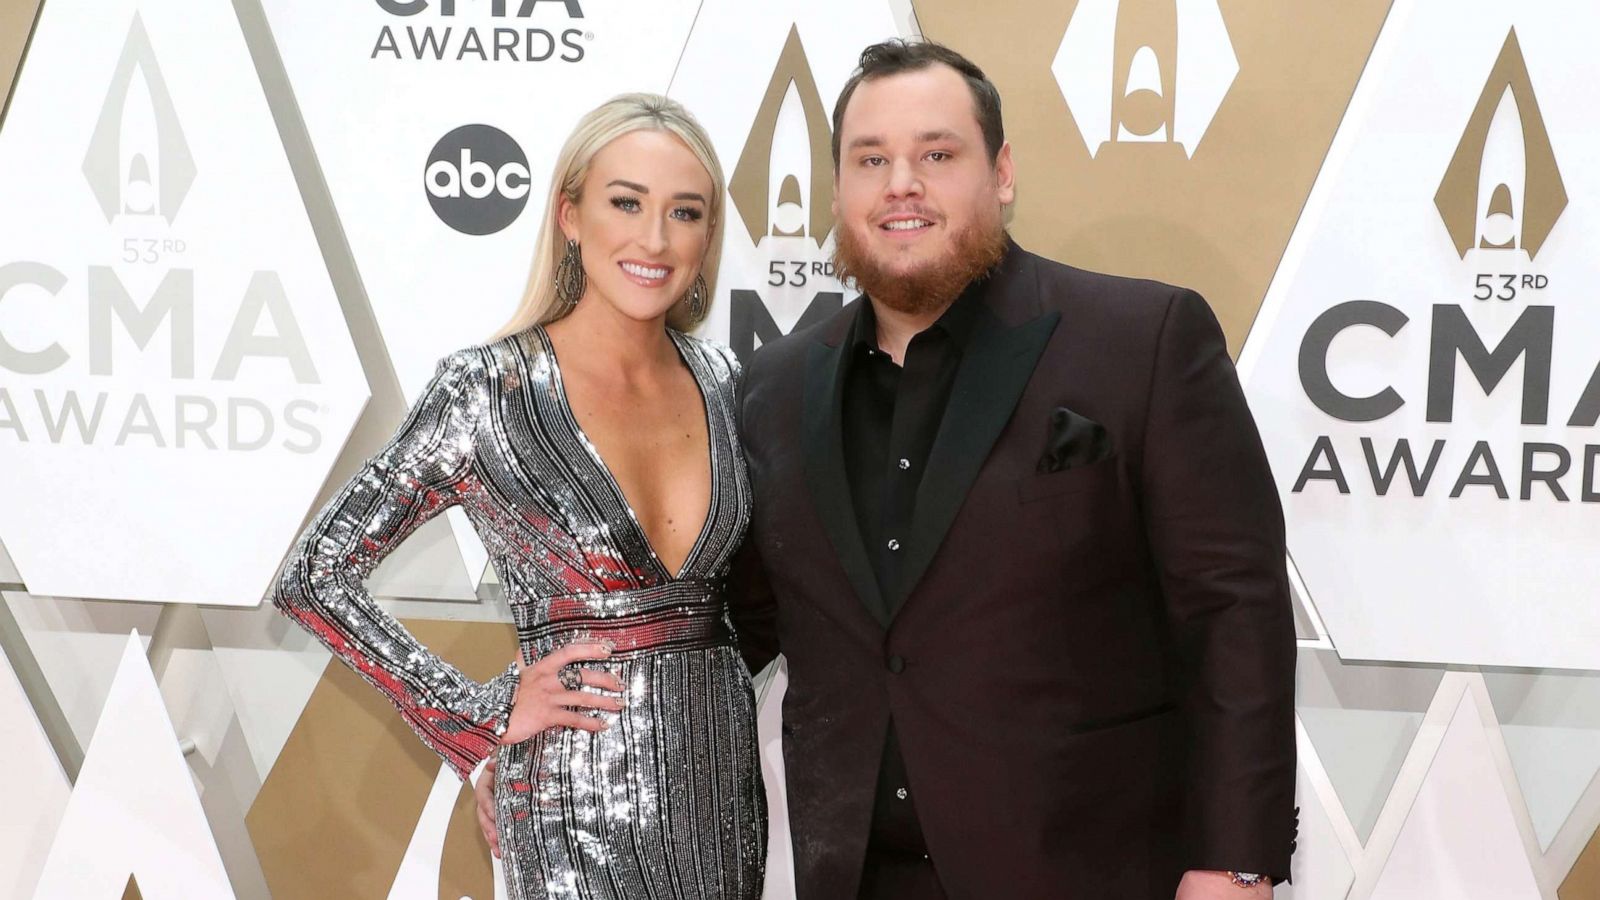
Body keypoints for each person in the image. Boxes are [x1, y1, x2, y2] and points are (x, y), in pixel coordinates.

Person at [726, 41, 1295, 899]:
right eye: (870, 159)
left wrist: (1235, 862)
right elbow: (731, 623)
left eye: (937, 154)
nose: (901, 183)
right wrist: (531, 735)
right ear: (839, 191)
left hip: (1087, 872)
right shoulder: (771, 388)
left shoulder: (1141, 339)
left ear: (1001, 173)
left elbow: (1233, 614)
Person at [273, 93, 766, 900]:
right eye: (625, 203)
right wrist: (477, 723)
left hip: (719, 787)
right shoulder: (486, 391)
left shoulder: (729, 385)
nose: (654, 238)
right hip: (574, 796)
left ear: (708, 236)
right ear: (570, 215)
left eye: (685, 212)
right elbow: (315, 576)